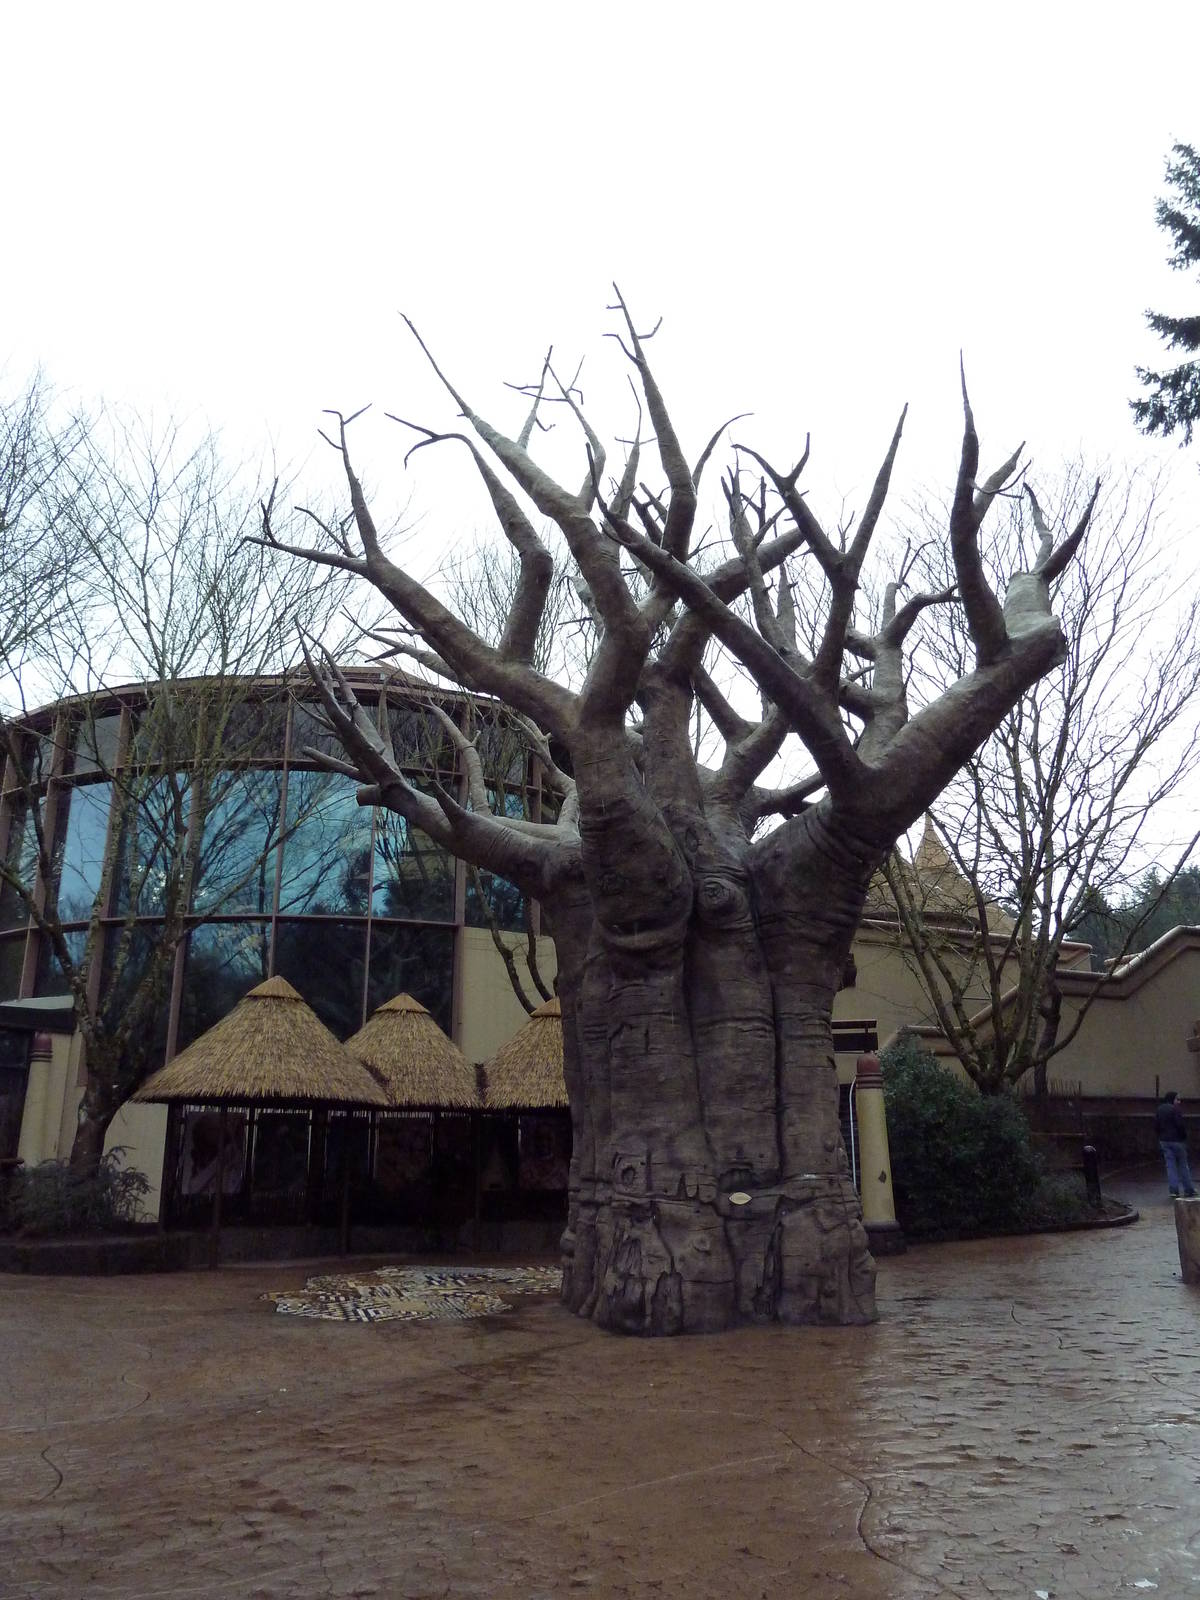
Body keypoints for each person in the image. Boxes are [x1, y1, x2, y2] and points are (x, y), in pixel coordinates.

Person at [1155, 1089, 1197, 1199]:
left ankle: (1173, 1190)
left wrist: (1160, 1136)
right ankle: (1188, 1189)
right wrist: (1184, 1137)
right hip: (1177, 1141)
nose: (1179, 1102)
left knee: (1170, 1166)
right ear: (1172, 1099)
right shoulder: (1175, 1110)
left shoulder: (1160, 1109)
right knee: (1183, 1165)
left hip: (1164, 1140)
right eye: (1177, 1099)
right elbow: (1180, 1125)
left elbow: (1156, 1125)